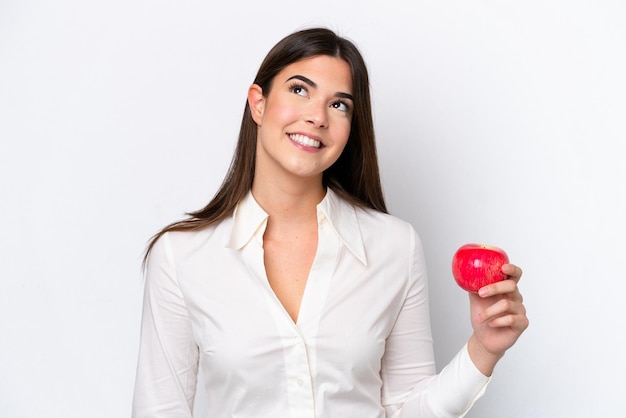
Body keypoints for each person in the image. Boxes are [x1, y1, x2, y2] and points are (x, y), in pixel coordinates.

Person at [131, 27, 529, 418]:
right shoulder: (181, 255)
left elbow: (408, 408)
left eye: (339, 105)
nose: (317, 117)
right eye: (299, 90)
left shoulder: (394, 246)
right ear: (258, 103)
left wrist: (484, 349)